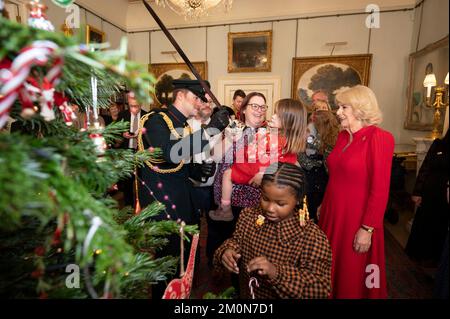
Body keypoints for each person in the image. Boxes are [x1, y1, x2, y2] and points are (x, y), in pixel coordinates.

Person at [137, 79, 229, 297]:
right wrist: (212, 129)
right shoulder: (155, 120)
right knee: (168, 269)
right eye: (197, 98)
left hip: (184, 206)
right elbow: (169, 153)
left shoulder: (182, 124)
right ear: (181, 95)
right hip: (164, 210)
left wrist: (197, 170)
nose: (200, 103)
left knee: (185, 266)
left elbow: (179, 166)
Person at [318, 85, 395, 299]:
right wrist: (324, 203)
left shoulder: (379, 138)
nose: (338, 112)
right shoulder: (343, 136)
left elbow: (380, 188)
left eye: (344, 107)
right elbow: (336, 177)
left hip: (357, 219)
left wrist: (367, 228)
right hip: (333, 214)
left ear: (360, 109)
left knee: (352, 271)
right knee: (329, 265)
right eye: (338, 107)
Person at [213, 163, 332, 299]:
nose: (270, 208)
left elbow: (320, 289)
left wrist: (276, 273)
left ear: (298, 200)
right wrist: (228, 251)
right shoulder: (248, 216)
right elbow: (236, 241)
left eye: (280, 204)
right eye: (265, 198)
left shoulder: (312, 238)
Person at [211, 98, 307, 222]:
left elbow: (283, 162)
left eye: (263, 107)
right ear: (244, 109)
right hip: (250, 181)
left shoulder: (273, 136)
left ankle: (225, 209)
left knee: (228, 174)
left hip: (254, 178)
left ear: (288, 121)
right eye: (254, 106)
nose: (270, 115)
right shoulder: (279, 137)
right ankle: (226, 209)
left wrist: (264, 172)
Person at [405, 129, 449, 266]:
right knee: (424, 222)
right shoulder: (438, 144)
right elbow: (425, 167)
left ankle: (435, 259)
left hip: (446, 196)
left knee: (440, 227)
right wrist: (417, 192)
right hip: (429, 192)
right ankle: (419, 256)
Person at [298, 110, 339, 222]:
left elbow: (330, 170)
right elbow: (303, 159)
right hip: (311, 183)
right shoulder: (310, 136)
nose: (309, 125)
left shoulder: (332, 144)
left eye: (313, 121)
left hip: (321, 186)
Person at [116, 92, 148, 207]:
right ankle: (129, 205)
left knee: (142, 180)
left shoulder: (147, 116)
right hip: (127, 151)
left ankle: (143, 205)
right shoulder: (122, 115)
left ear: (141, 105)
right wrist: (123, 134)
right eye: (131, 106)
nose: (133, 109)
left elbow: (150, 136)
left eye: (136, 106)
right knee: (127, 181)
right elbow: (116, 131)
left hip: (141, 152)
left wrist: (140, 135)